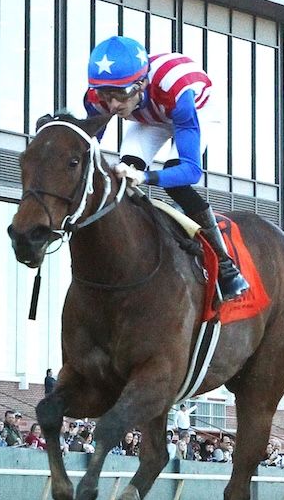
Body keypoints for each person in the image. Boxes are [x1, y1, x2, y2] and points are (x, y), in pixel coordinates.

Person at [83, 34, 249, 301]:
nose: (113, 105)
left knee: (177, 184)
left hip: (191, 109)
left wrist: (146, 176)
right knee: (122, 177)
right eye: (106, 95)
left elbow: (191, 171)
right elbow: (88, 148)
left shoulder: (177, 91)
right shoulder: (97, 97)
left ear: (141, 83)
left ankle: (226, 266)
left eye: (121, 94)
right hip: (149, 114)